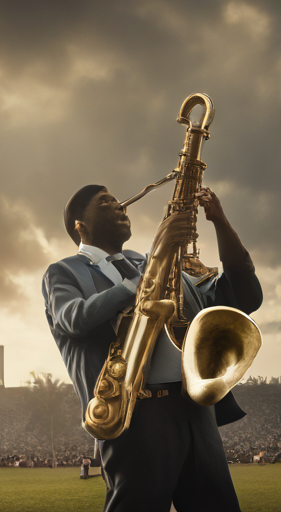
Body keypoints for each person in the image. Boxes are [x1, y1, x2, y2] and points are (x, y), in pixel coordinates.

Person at [42, 185, 262, 512]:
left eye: (118, 201)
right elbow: (75, 319)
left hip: (195, 408)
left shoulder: (151, 263)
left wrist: (219, 221)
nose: (120, 206)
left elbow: (240, 298)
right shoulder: (63, 272)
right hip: (134, 414)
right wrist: (152, 267)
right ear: (80, 226)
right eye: (105, 203)